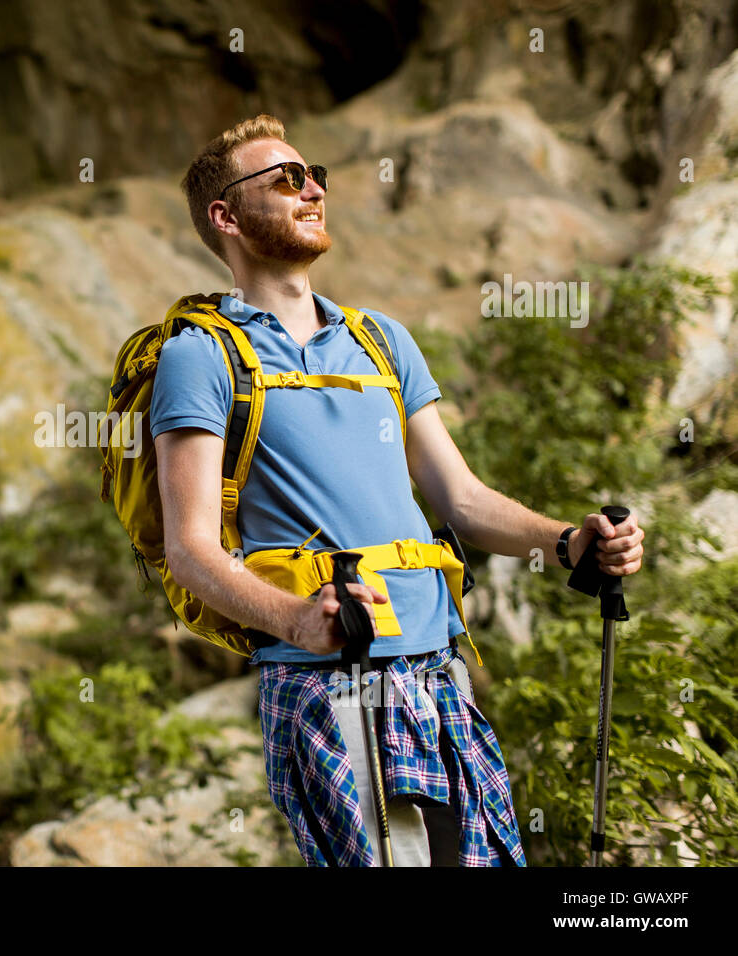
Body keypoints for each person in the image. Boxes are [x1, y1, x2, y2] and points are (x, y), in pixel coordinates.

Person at [150, 113, 646, 865]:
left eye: (314, 174)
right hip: (331, 681)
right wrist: (296, 621)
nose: (312, 188)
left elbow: (462, 499)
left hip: (440, 667)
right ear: (226, 216)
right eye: (284, 178)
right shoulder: (201, 355)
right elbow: (187, 548)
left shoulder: (380, 337)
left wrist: (567, 542)